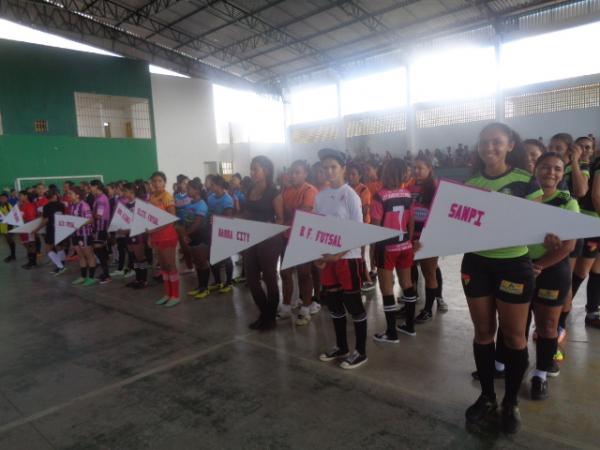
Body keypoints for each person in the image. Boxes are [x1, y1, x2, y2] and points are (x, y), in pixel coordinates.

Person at [462, 123, 543, 434]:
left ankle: (511, 401)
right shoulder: (471, 182)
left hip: (513, 265)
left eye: (497, 142)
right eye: (484, 142)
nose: (489, 147)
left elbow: (533, 227)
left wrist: (546, 252)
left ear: (511, 145)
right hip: (477, 263)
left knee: (514, 338)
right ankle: (486, 396)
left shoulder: (525, 181)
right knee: (483, 332)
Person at [527, 152, 578, 400]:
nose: (551, 172)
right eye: (545, 167)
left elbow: (568, 246)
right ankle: (504, 362)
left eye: (557, 168)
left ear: (563, 173)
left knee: (547, 325)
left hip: (552, 271)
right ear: (535, 169)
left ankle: (540, 373)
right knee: (515, 320)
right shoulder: (523, 198)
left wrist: (540, 266)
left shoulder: (568, 202)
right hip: (520, 266)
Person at [315, 148, 368, 369]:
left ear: (343, 169)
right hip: (328, 260)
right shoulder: (321, 196)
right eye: (325, 167)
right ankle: (342, 347)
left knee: (354, 305)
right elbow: (317, 228)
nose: (329, 171)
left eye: (333, 167)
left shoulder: (351, 196)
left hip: (349, 259)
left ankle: (361, 352)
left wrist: (339, 253)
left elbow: (359, 231)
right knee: (334, 306)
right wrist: (317, 255)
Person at [370, 158, 417, 341]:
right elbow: (411, 220)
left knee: (387, 288)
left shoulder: (380, 196)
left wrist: (373, 252)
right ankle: (410, 326)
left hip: (386, 247)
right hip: (405, 245)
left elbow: (375, 226)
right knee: (407, 284)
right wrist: (410, 240)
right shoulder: (407, 194)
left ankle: (391, 333)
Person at [244, 156, 284, 331]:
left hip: (269, 240)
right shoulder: (250, 190)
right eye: (251, 169)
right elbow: (245, 214)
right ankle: (265, 313)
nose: (252, 172)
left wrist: (270, 229)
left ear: (265, 171)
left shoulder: (274, 192)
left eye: (255, 169)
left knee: (269, 278)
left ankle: (270, 318)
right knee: (252, 279)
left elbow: (281, 220)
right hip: (251, 238)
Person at [279, 160, 320, 325]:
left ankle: (306, 308)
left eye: (297, 172)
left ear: (305, 174)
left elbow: (302, 214)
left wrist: (285, 219)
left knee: (304, 274)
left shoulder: (310, 190)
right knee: (285, 273)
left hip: (304, 238)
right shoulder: (287, 191)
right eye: (292, 172)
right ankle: (286, 307)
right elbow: (281, 211)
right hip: (288, 236)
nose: (293, 175)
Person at [410, 156, 447, 323]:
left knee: (429, 271)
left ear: (429, 169)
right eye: (414, 168)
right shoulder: (409, 188)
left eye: (420, 168)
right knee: (415, 269)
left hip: (428, 236)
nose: (416, 171)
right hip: (412, 235)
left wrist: (431, 237)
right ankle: (416, 299)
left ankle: (429, 309)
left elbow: (441, 215)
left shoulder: (436, 188)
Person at [149, 171, 180, 308]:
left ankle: (175, 295)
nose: (156, 183)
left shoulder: (167, 196)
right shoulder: (152, 197)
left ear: (164, 182)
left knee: (170, 265)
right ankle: (167, 293)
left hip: (167, 235)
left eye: (160, 181)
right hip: (156, 236)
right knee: (162, 267)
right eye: (154, 181)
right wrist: (150, 235)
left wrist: (154, 230)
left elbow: (171, 219)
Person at [347, 161, 375, 292]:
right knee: (351, 255)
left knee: (360, 254)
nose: (350, 177)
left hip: (361, 227)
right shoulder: (346, 188)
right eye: (349, 174)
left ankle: (367, 280)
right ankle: (358, 279)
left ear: (359, 176)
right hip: (348, 226)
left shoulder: (364, 190)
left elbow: (365, 210)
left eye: (353, 174)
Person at [207, 175, 235, 293]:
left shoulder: (227, 199)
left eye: (212, 184)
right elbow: (210, 213)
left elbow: (228, 217)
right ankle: (218, 281)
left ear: (218, 185)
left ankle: (228, 282)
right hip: (213, 230)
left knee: (226, 257)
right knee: (212, 257)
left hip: (224, 231)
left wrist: (216, 218)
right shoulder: (211, 198)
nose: (210, 186)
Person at [184, 178, 211, 299]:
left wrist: (186, 234)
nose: (187, 190)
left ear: (196, 191)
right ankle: (200, 286)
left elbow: (197, 224)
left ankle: (205, 288)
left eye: (189, 188)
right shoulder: (191, 203)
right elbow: (188, 220)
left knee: (202, 262)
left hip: (201, 237)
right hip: (192, 237)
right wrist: (187, 234)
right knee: (197, 263)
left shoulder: (201, 204)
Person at [121, 181, 149, 289]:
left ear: (131, 191)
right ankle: (138, 279)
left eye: (125, 191)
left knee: (140, 257)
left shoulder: (140, 204)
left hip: (138, 234)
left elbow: (141, 221)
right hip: (129, 234)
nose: (123, 193)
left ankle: (144, 280)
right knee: (134, 257)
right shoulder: (127, 204)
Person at [68, 186, 97, 286]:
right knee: (80, 255)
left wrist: (78, 224)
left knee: (89, 255)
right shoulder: (71, 205)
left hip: (84, 234)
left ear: (77, 195)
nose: (69, 196)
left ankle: (92, 277)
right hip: (75, 234)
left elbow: (91, 219)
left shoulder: (84, 205)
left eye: (71, 194)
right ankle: (83, 276)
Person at [35, 188, 67, 275]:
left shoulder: (47, 207)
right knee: (59, 247)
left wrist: (37, 229)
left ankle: (60, 266)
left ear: (47, 198)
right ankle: (61, 265)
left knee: (48, 249)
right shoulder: (61, 205)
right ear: (55, 196)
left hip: (51, 229)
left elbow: (46, 220)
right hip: (60, 228)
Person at [90, 180, 111, 284]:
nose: (90, 188)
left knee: (100, 252)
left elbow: (98, 215)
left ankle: (106, 275)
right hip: (98, 227)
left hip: (101, 228)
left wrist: (89, 215)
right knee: (99, 251)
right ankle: (105, 273)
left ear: (96, 187)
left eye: (91, 186)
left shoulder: (101, 199)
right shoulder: (97, 198)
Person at [174, 174, 194, 273]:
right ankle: (189, 266)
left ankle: (196, 264)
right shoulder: (176, 196)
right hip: (180, 224)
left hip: (191, 225)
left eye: (187, 183)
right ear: (179, 184)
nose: (186, 185)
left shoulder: (191, 195)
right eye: (183, 183)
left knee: (192, 246)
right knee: (184, 247)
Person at [0, 192, 16, 262]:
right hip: (2, 226)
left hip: (9, 226)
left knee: (10, 239)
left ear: (7, 199)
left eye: (4, 198)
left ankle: (13, 255)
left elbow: (13, 216)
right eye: (1, 198)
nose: (2, 200)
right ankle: (12, 255)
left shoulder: (9, 206)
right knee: (7, 239)